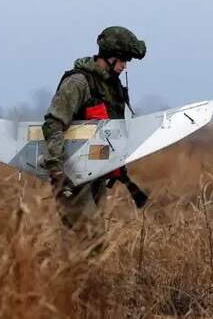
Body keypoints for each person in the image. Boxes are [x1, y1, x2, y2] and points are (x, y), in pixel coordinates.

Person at [41, 26, 146, 243]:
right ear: (110, 57)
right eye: (123, 60)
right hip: (71, 178)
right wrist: (56, 171)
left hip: (96, 174)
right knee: (91, 239)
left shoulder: (110, 86)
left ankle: (64, 276)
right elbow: (53, 123)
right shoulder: (78, 83)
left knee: (85, 243)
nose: (124, 67)